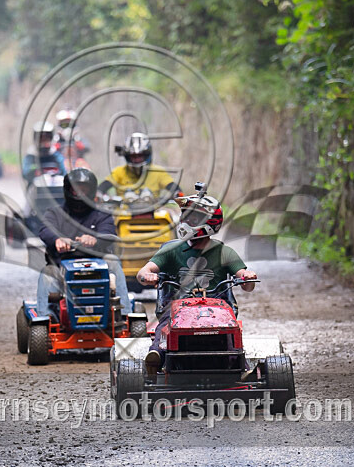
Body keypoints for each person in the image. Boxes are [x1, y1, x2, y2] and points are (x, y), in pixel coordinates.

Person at [136, 185, 257, 375]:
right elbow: (145, 271)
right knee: (164, 328)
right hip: (176, 308)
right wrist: (147, 275)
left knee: (230, 334)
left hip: (217, 310)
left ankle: (241, 368)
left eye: (191, 217)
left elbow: (245, 281)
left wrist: (247, 277)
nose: (184, 221)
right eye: (184, 216)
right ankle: (155, 358)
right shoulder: (170, 250)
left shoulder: (224, 252)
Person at [36, 168, 132, 318]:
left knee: (113, 261)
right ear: (68, 190)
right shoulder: (54, 213)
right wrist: (58, 239)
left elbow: (109, 234)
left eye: (84, 190)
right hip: (62, 266)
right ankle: (45, 319)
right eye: (75, 190)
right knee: (47, 273)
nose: (80, 194)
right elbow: (44, 230)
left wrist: (95, 239)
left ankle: (125, 316)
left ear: (92, 191)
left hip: (98, 267)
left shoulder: (102, 215)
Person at [98, 132, 178, 202]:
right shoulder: (119, 172)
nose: (137, 159)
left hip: (154, 215)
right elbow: (103, 187)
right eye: (133, 156)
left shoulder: (158, 172)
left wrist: (177, 193)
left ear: (147, 155)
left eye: (140, 156)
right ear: (128, 156)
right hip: (123, 215)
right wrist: (99, 194)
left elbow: (173, 187)